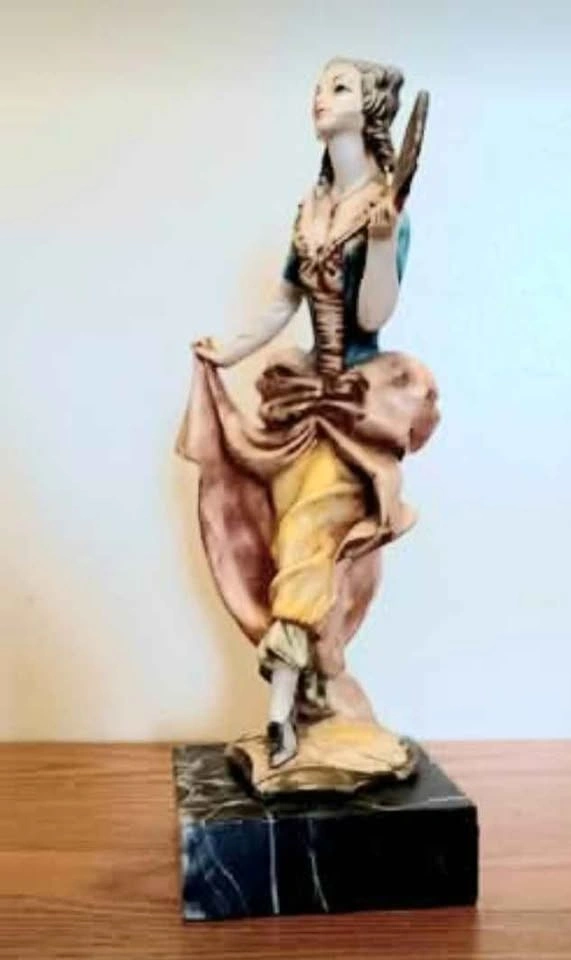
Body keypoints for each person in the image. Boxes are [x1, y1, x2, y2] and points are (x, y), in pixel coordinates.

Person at [177, 58, 439, 767]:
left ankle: (279, 712)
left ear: (370, 109)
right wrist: (228, 350)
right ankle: (317, 691)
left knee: (306, 533)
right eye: (319, 87)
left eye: (339, 87)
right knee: (281, 535)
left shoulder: (384, 210)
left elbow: (372, 315)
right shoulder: (313, 207)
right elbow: (282, 304)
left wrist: (380, 244)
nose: (321, 97)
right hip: (302, 402)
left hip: (357, 403)